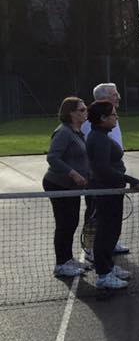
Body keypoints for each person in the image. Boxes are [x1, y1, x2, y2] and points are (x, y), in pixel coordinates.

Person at [85, 100, 139, 289]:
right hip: (106, 192)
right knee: (106, 232)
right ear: (102, 118)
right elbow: (102, 169)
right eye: (113, 115)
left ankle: (108, 267)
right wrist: (131, 179)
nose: (116, 118)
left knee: (112, 231)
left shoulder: (101, 135)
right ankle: (104, 274)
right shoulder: (98, 138)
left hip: (112, 191)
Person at [80, 82, 130, 257]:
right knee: (95, 214)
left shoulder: (111, 118)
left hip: (114, 177)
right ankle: (91, 247)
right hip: (100, 179)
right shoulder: (90, 125)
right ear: (102, 98)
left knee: (111, 218)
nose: (118, 97)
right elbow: (92, 155)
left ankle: (110, 244)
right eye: (114, 95)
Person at [43, 97, 90, 278]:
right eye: (82, 109)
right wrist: (74, 174)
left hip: (72, 187)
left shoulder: (76, 132)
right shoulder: (63, 132)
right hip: (58, 184)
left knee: (71, 222)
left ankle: (68, 258)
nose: (85, 112)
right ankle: (61, 264)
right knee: (64, 224)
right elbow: (53, 158)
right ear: (71, 112)